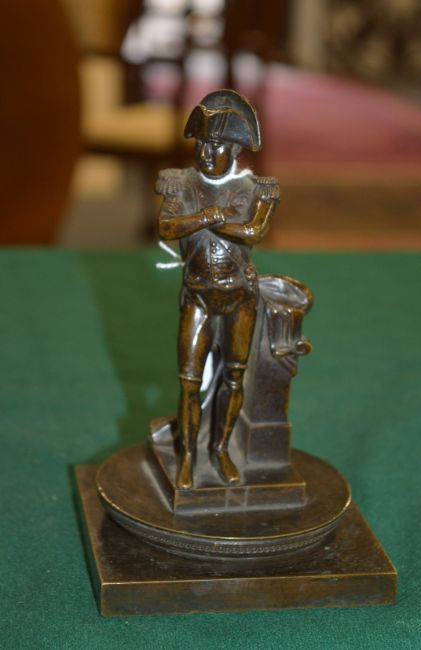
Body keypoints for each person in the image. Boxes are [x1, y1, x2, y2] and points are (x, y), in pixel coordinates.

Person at [156, 90, 280, 489]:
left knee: (234, 378)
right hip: (197, 297)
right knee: (189, 382)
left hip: (238, 299)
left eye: (217, 146)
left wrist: (205, 221)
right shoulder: (180, 184)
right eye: (202, 144)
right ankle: (188, 456)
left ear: (236, 150)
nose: (207, 153)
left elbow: (253, 231)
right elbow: (167, 227)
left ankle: (221, 448)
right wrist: (210, 215)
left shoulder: (256, 189)